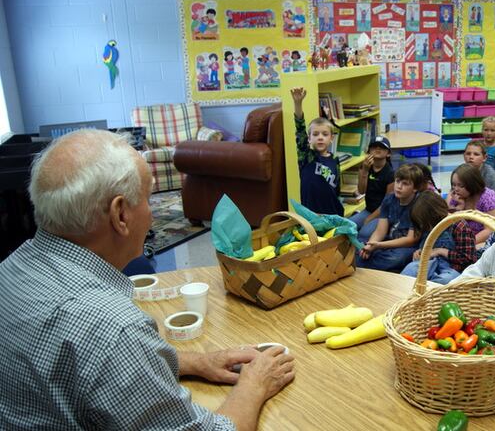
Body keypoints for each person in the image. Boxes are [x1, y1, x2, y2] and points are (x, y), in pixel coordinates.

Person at [0, 130, 294, 430]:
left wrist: (195, 362)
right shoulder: (115, 329)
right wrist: (254, 386)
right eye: (146, 199)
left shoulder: (10, 268)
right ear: (121, 216)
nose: (152, 215)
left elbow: (80, 371)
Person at [357, 164, 423, 271]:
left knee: (396, 258)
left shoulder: (419, 205)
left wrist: (378, 245)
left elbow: (410, 240)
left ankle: (366, 265)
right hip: (389, 241)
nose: (399, 186)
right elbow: (380, 231)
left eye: (405, 184)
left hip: (407, 247)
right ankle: (373, 264)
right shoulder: (389, 199)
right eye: (397, 181)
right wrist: (370, 245)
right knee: (360, 248)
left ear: (415, 188)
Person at [401, 193, 477, 285]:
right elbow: (425, 246)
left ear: (435, 215)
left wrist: (440, 251)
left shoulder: (459, 226)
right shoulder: (428, 225)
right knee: (410, 270)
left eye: (426, 224)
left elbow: (469, 260)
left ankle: (426, 293)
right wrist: (420, 252)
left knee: (445, 281)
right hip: (430, 264)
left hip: (452, 268)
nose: (425, 227)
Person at [291, 87, 343, 216]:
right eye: (315, 134)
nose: (320, 137)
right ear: (309, 139)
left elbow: (337, 189)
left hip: (332, 214)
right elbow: (300, 129)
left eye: (325, 134)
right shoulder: (307, 157)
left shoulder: (334, 160)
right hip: (311, 215)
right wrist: (298, 103)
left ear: (331, 138)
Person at [447, 163, 495, 244]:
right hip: (461, 238)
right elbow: (448, 222)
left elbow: (490, 230)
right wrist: (458, 208)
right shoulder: (457, 196)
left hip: (482, 241)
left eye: (461, 186)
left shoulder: (488, 198)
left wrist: (468, 244)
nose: (456, 189)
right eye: (454, 185)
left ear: (472, 184)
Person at [351, 136, 394, 232]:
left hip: (384, 214)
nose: (377, 149)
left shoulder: (391, 174)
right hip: (368, 210)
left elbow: (387, 204)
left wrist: (369, 219)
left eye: (382, 147)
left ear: (388, 153)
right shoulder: (364, 167)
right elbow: (361, 191)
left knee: (364, 233)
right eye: (374, 147)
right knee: (346, 226)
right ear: (368, 151)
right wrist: (365, 170)